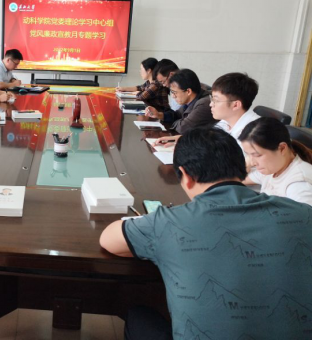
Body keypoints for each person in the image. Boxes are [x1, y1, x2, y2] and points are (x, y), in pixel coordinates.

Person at [100, 128, 312, 340]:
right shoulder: (304, 214)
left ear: (186, 176)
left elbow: (108, 239)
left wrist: (153, 222)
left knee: (138, 315)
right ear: (242, 169)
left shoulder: (169, 222)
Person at [154, 72, 260, 150]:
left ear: (235, 105)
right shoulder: (226, 121)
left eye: (216, 100)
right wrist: (182, 139)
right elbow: (208, 139)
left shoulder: (254, 133)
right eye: (212, 99)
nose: (210, 104)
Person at [241, 117, 312, 205]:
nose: (253, 162)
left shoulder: (299, 185)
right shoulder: (274, 168)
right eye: (248, 154)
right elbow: (237, 179)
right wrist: (246, 163)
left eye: (257, 155)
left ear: (282, 148)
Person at [146, 69, 215, 134]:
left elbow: (183, 128)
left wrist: (179, 121)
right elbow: (176, 115)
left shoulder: (204, 103)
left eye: (174, 92)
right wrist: (158, 114)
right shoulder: (190, 100)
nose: (173, 96)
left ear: (188, 91)